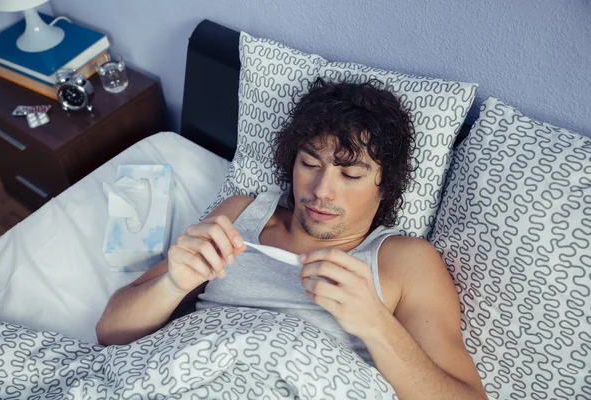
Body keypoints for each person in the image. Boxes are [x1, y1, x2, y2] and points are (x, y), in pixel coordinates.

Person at [96, 78, 487, 399]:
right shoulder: (239, 214)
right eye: (309, 163)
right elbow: (110, 331)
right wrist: (171, 285)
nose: (321, 191)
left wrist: (376, 325)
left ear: (386, 187)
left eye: (350, 175)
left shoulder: (404, 260)